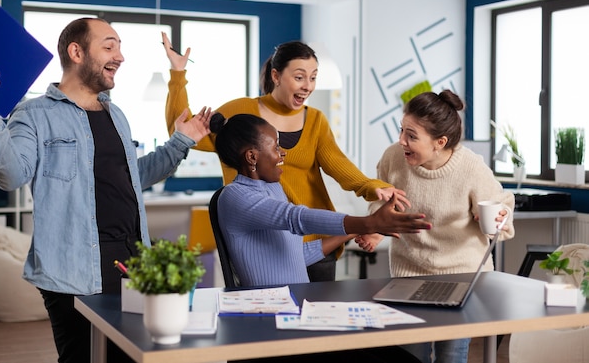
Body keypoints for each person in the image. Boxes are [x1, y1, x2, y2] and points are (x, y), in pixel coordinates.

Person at [0, 17, 212, 363]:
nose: (121, 56)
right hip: (75, 271)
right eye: (109, 46)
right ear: (76, 52)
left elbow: (132, 178)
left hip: (134, 264)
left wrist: (181, 141)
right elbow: (11, 175)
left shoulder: (118, 115)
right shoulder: (33, 114)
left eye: (120, 47)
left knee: (131, 357)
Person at [164, 37, 399, 281]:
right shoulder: (240, 114)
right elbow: (182, 131)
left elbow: (340, 167)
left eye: (313, 77)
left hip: (316, 243)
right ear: (276, 76)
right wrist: (177, 75)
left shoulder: (316, 120)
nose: (308, 85)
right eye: (299, 77)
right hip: (268, 242)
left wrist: (374, 188)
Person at [210, 111, 430, 363]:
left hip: (303, 318)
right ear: (252, 156)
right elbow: (295, 218)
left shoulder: (273, 188)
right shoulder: (234, 197)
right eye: (276, 147)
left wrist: (355, 231)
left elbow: (295, 255)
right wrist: (369, 221)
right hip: (274, 329)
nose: (282, 154)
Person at [368, 90, 515, 363]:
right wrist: (377, 228)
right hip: (408, 275)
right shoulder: (393, 158)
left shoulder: (470, 167)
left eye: (411, 135)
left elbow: (501, 206)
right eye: (402, 130)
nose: (402, 141)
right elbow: (381, 203)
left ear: (440, 142)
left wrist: (499, 217)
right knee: (410, 356)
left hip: (461, 275)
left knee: (451, 355)